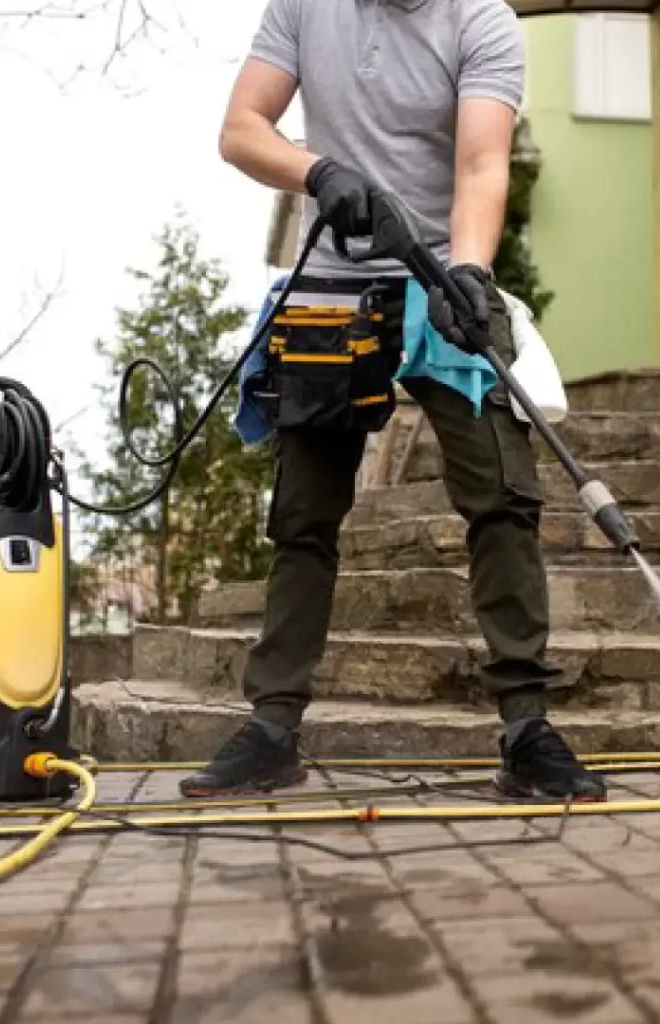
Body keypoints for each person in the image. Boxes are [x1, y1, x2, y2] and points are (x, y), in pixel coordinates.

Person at [179, 0, 606, 803]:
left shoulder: (482, 20)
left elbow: (482, 165)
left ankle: (526, 730)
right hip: (332, 290)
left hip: (441, 278)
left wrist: (471, 275)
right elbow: (241, 127)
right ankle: (272, 731)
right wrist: (317, 170)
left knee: (503, 497)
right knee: (304, 515)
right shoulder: (304, 4)